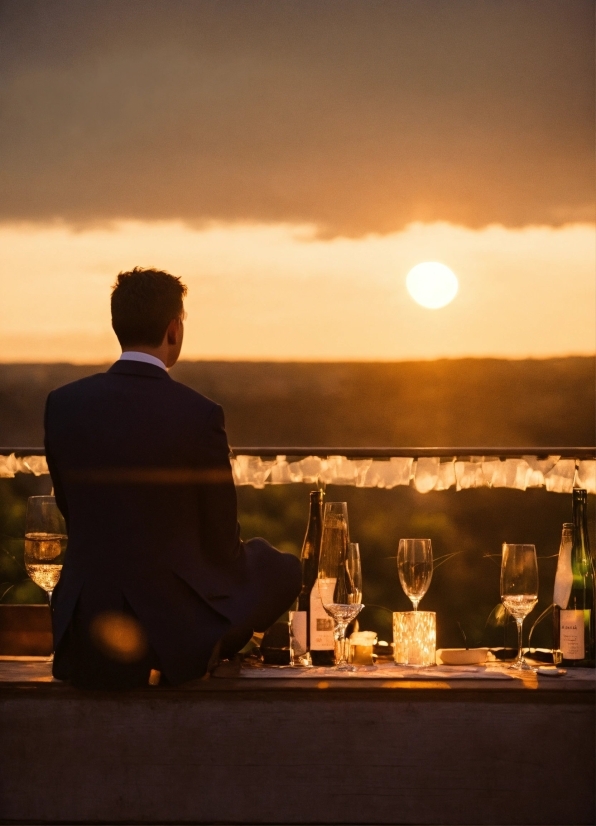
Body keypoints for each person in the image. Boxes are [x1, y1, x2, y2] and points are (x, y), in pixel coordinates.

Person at [45, 267, 301, 689]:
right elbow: (221, 544)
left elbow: (73, 513)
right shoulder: (199, 414)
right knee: (280, 568)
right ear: (173, 330)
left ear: (117, 326)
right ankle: (213, 646)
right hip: (168, 637)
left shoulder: (63, 404)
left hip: (85, 633)